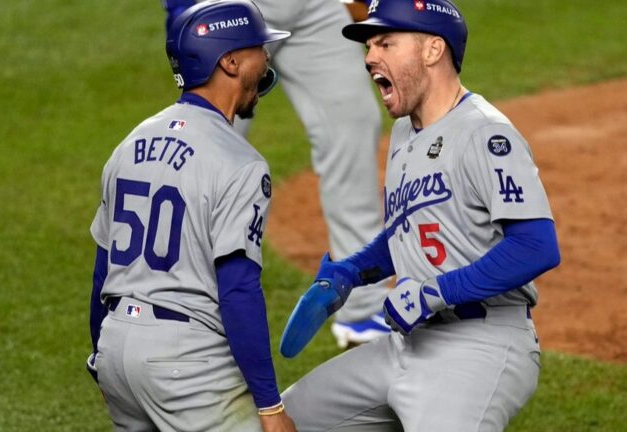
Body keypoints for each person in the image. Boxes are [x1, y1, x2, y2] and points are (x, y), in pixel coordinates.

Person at [278, 0, 561, 430]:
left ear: (432, 50)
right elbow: (409, 231)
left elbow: (536, 247)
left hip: (481, 344)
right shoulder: (405, 132)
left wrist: (435, 293)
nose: (371, 56)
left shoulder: (486, 133)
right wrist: (351, 273)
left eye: (386, 43)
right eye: (369, 46)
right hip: (406, 342)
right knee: (279, 421)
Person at [85, 1, 297, 430]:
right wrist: (270, 405)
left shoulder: (130, 143)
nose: (268, 58)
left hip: (116, 347)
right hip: (184, 364)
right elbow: (238, 289)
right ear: (231, 61)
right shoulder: (241, 162)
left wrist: (104, 352)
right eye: (258, 48)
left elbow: (101, 271)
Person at [162, 0, 392, 349]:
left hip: (315, 6)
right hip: (229, 7)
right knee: (206, 141)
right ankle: (169, 302)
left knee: (351, 123)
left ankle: (363, 308)